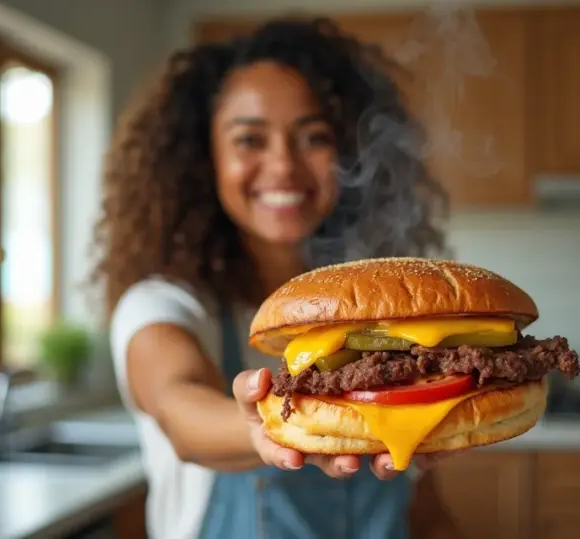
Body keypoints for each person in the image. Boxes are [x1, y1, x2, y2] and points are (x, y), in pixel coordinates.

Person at [91, 15, 462, 539]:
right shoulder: (165, 304)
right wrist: (265, 425)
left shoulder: (381, 324)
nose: (284, 165)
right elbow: (178, 408)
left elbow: (426, 515)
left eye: (313, 136)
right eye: (250, 139)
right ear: (205, 159)